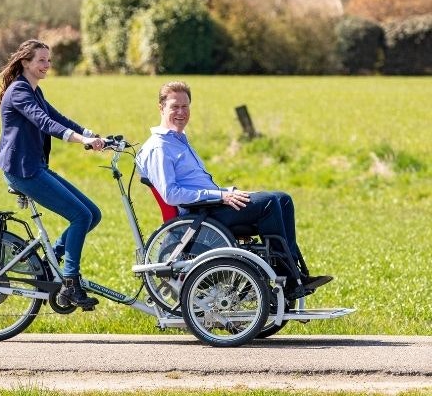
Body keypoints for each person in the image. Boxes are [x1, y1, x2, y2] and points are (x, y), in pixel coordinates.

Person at [135, 81, 332, 298]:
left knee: (282, 198)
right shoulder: (159, 148)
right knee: (268, 203)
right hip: (198, 219)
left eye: (185, 106)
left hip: (210, 207)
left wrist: (225, 192)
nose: (181, 112)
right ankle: (283, 276)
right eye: (175, 107)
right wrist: (221, 195)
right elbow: (171, 194)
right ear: (161, 107)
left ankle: (294, 274)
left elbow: (196, 185)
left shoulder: (179, 141)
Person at [0, 39, 103, 309]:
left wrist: (91, 134)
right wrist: (79, 141)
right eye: (41, 60)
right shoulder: (19, 91)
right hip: (23, 171)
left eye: (49, 60)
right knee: (80, 216)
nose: (47, 65)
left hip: (34, 166)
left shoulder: (34, 90)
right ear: (25, 63)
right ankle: (69, 282)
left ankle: (49, 259)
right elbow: (44, 122)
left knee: (93, 214)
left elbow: (58, 117)